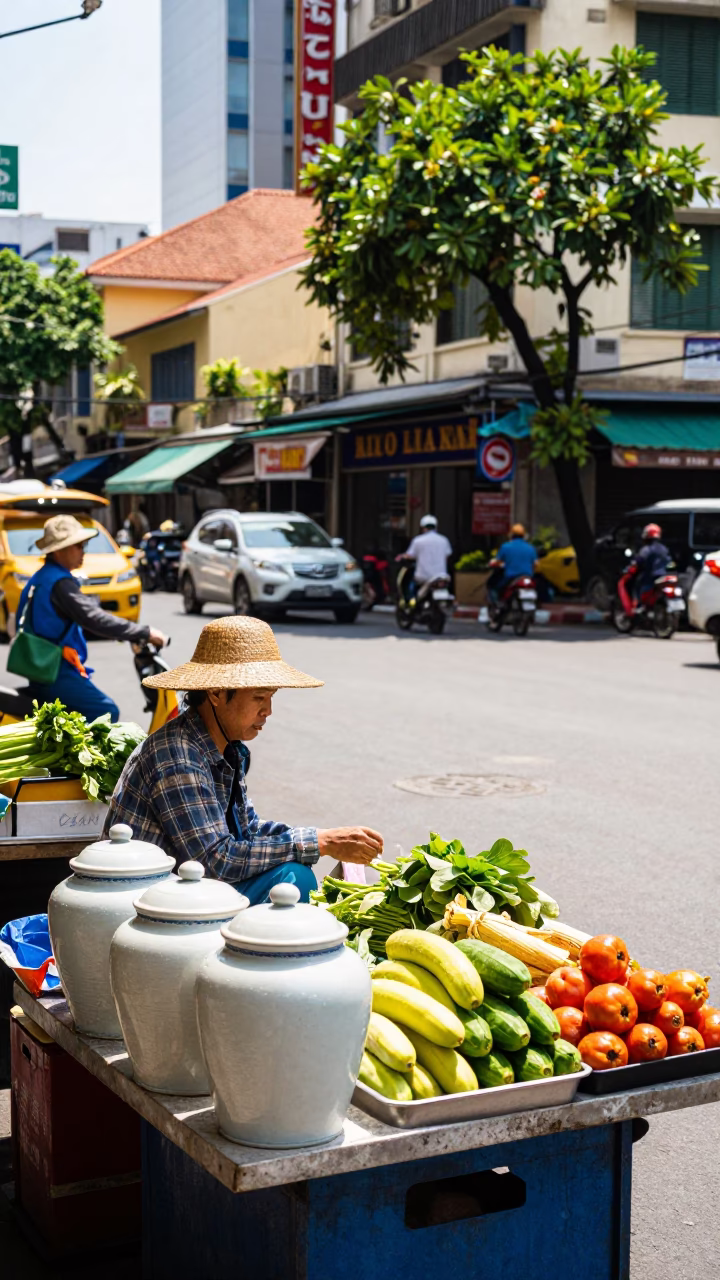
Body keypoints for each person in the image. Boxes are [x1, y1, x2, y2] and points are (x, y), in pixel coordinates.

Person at [103, 615, 384, 904]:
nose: (268, 711)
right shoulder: (177, 755)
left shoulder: (227, 748)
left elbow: (246, 830)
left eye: (271, 697)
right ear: (215, 693)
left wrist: (321, 838)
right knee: (294, 880)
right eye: (259, 698)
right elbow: (215, 861)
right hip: (145, 902)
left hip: (188, 890)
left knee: (293, 872)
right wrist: (319, 843)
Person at [14, 515, 166, 723]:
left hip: (43, 667)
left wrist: (126, 633)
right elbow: (94, 618)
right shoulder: (60, 583)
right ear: (59, 549)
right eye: (78, 546)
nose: (83, 552)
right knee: (106, 712)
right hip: (57, 671)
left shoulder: (40, 578)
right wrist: (144, 632)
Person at [399, 515, 452, 601]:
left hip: (423, 576)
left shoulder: (418, 540)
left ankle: (410, 600)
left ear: (423, 528)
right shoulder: (444, 540)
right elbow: (447, 556)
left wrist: (402, 556)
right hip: (441, 576)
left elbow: (410, 555)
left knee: (410, 585)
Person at [492, 524, 538, 595]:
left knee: (496, 588)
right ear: (524, 536)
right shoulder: (531, 548)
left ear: (511, 535)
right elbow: (536, 564)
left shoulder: (505, 546)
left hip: (511, 576)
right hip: (528, 576)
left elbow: (498, 562)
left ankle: (498, 603)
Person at [631, 523, 672, 600]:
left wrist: (634, 563)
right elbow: (669, 561)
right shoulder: (664, 548)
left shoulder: (646, 549)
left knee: (637, 583)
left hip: (650, 576)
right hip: (664, 575)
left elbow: (640, 560)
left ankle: (638, 603)